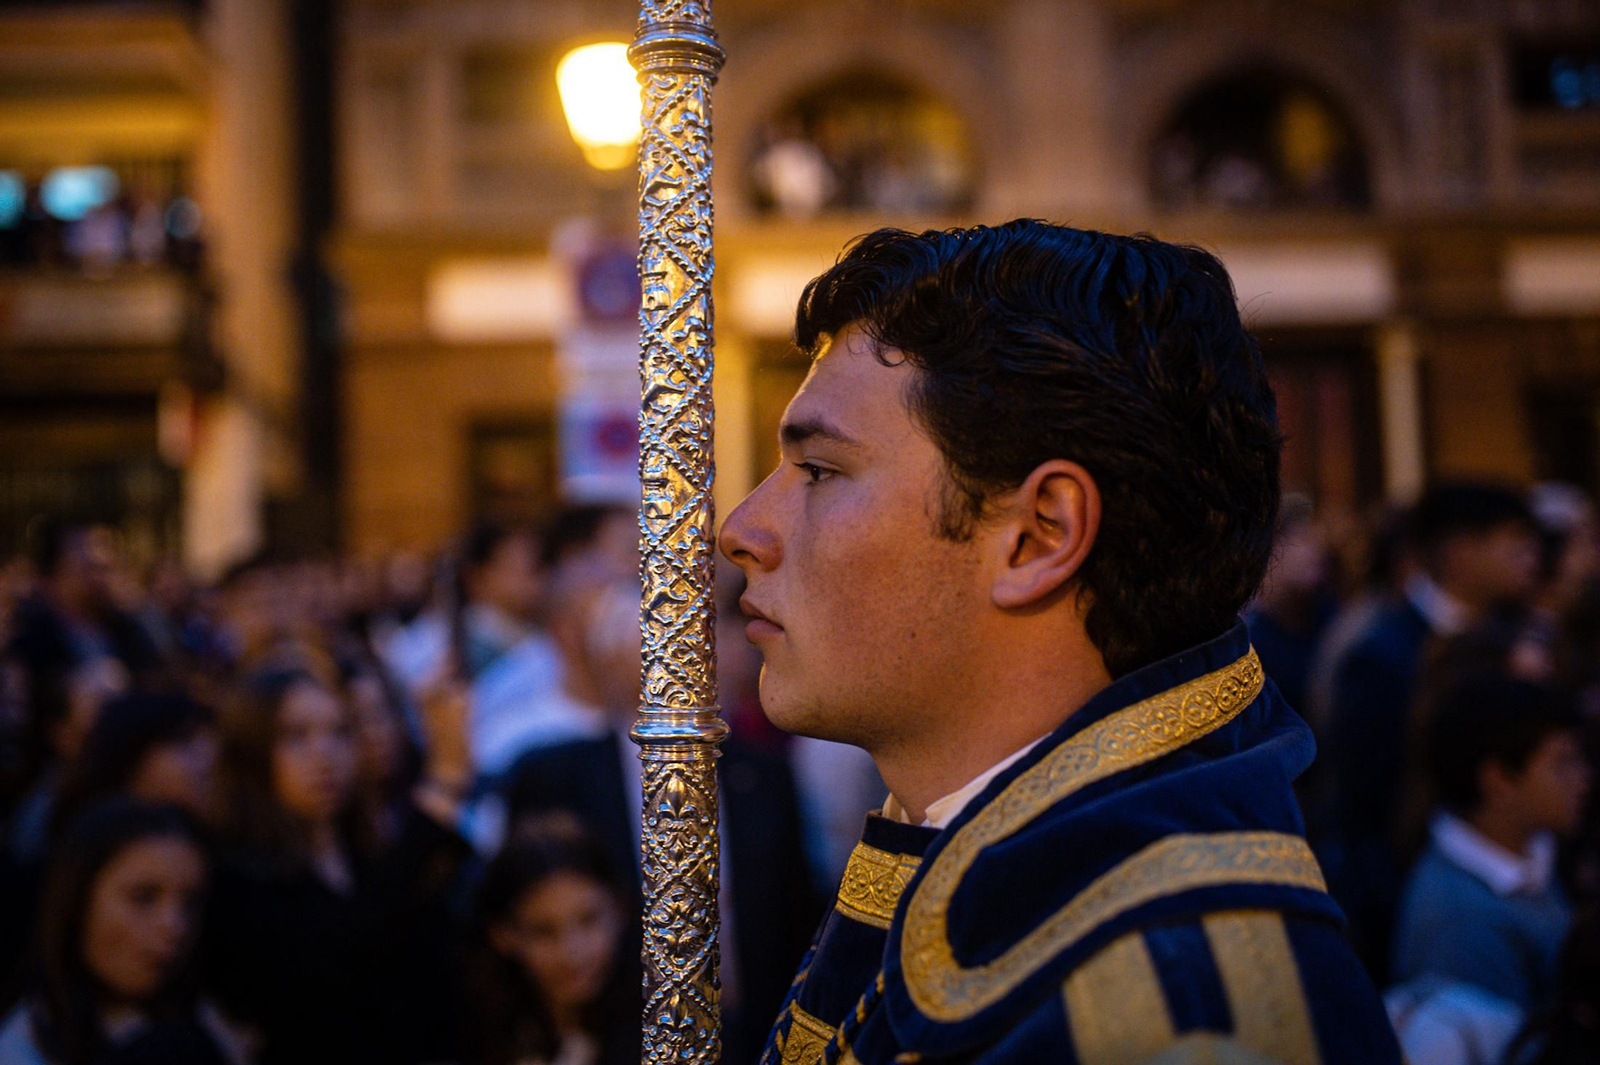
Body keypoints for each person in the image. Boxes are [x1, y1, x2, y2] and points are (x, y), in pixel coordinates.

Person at [719, 221, 1401, 1063]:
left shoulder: (1169, 1013)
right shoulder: (1005, 878)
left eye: (820, 470)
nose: (742, 527)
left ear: (1041, 534)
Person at [499, 576, 821, 1064]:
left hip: (756, 1033)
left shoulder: (762, 772)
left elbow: (794, 908)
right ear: (607, 666)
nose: (673, 664)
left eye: (687, 644)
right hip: (615, 1039)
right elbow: (528, 908)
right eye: (648, 648)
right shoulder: (554, 776)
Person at [1321, 481, 1541, 974]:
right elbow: (1364, 808)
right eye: (1514, 541)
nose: (1531, 557)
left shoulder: (1519, 636)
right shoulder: (1382, 653)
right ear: (1461, 550)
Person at [206, 665, 475, 1064]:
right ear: (253, 752)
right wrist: (441, 787)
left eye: (339, 733)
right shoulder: (237, 881)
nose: (324, 754)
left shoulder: (367, 853)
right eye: (295, 737)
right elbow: (336, 966)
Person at [1391, 675, 1590, 1018]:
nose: (1584, 778)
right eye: (1562, 763)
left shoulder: (1536, 850)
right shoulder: (1461, 923)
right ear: (1497, 781)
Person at [0, 799, 232, 1065]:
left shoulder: (209, 1024)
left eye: (191, 902)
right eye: (143, 897)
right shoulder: (21, 1049)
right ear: (77, 903)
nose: (174, 925)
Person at [466, 816, 640, 1065]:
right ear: (503, 935)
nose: (572, 952)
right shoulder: (482, 1032)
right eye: (544, 932)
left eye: (589, 920)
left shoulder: (666, 1028)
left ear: (620, 907)